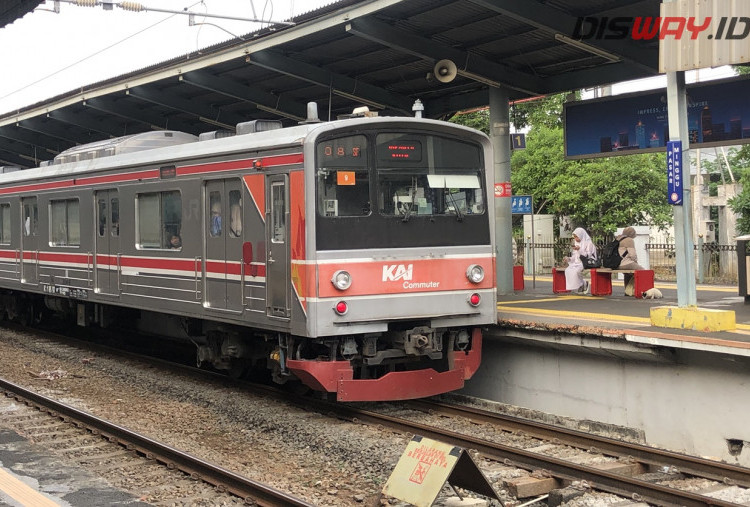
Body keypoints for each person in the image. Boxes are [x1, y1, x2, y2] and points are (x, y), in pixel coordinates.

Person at [564, 227, 596, 293]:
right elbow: (575, 256)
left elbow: (587, 256)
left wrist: (579, 250)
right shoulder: (577, 244)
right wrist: (569, 259)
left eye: (577, 237)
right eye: (575, 237)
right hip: (577, 262)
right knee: (568, 270)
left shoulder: (589, 243)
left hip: (586, 262)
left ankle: (582, 284)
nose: (576, 239)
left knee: (576, 271)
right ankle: (582, 284)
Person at [616, 226, 643, 296]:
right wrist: (635, 261)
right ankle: (638, 291)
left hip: (616, 264)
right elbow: (632, 254)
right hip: (625, 263)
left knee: (627, 274)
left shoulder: (618, 239)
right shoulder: (629, 240)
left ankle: (627, 291)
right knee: (642, 271)